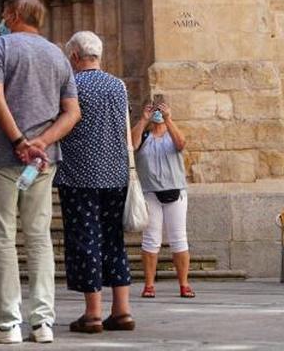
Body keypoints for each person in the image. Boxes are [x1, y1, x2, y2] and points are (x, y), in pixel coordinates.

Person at [0, 0, 81, 345]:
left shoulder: (0, 45)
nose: (2, 18)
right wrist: (42, 142)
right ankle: (42, 324)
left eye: (6, 12)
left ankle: (7, 325)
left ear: (16, 15)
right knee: (39, 239)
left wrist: (21, 141)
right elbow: (72, 112)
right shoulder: (58, 55)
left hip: (2, 155)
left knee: (2, 238)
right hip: (42, 161)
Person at [54, 31, 134, 333]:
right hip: (117, 174)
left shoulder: (72, 84)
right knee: (113, 239)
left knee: (85, 239)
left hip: (80, 175)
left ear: (74, 56)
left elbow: (63, 122)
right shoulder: (119, 86)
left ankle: (93, 313)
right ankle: (122, 310)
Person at [132, 95, 192, 298]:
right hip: (150, 193)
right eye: (154, 108)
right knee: (150, 239)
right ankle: (149, 285)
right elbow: (131, 145)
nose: (157, 112)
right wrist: (143, 119)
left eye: (161, 108)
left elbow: (181, 144)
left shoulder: (171, 132)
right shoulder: (145, 137)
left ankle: (184, 284)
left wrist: (168, 119)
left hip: (175, 192)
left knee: (179, 239)